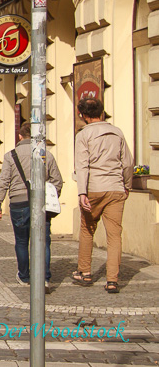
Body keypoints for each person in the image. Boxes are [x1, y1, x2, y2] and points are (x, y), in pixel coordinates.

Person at [73, 97, 134, 293]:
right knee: (114, 235)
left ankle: (84, 271)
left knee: (87, 229)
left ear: (83, 115)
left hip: (94, 187)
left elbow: (82, 165)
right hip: (116, 187)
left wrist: (82, 192)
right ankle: (112, 280)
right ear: (101, 112)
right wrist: (126, 185)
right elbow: (128, 163)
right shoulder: (117, 132)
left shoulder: (83, 135)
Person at [0, 122, 63, 288]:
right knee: (43, 241)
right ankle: (44, 277)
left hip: (18, 203)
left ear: (20, 136)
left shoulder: (11, 155)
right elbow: (57, 180)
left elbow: (3, 181)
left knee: (22, 241)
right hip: (40, 203)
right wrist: (51, 196)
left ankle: (25, 276)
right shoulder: (46, 154)